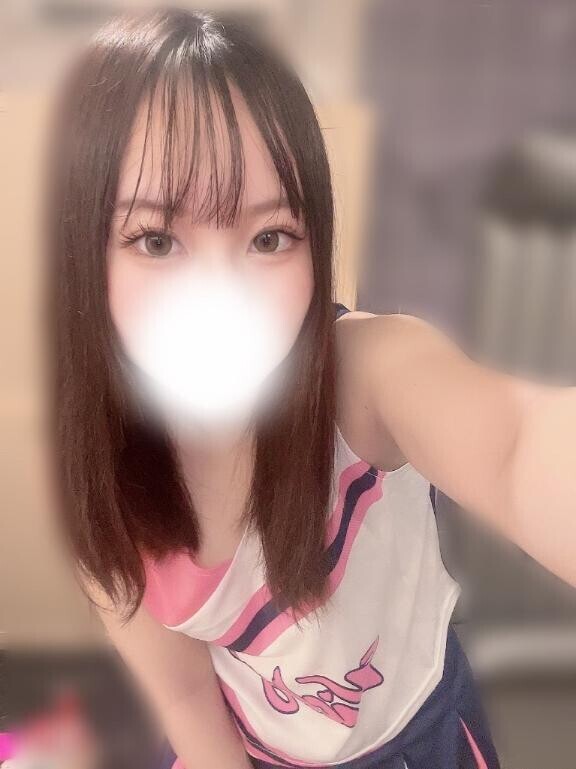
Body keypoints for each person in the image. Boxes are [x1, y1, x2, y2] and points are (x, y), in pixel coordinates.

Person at [44, 6, 575, 769]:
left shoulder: (366, 375)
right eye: (156, 239)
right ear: (87, 259)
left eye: (269, 237)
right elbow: (188, 700)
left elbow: (516, 447)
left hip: (414, 736)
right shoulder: (109, 492)